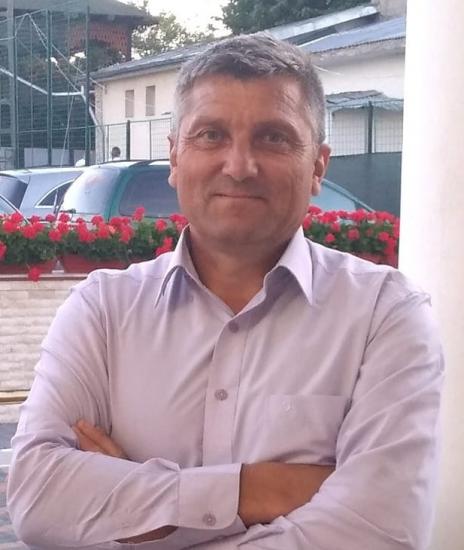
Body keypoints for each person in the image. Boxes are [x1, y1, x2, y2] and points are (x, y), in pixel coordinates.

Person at [7, 34, 443, 549]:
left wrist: (137, 509)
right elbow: (37, 497)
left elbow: (379, 532)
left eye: (273, 138)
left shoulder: (384, 316)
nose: (239, 166)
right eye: (211, 135)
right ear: (174, 157)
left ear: (318, 166)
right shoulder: (103, 311)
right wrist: (255, 489)